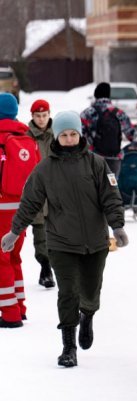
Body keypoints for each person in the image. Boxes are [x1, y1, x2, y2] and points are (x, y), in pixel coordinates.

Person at [2, 111, 128, 366]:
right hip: (61, 242)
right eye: (63, 135)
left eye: (73, 134)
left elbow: (111, 198)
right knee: (68, 292)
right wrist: (15, 232)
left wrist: (117, 227)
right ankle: (68, 346)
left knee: (91, 290)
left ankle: (88, 315)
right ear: (56, 138)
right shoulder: (45, 169)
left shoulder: (96, 163)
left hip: (95, 240)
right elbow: (29, 203)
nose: (69, 139)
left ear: (79, 135)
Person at [0, 93, 37, 328]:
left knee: (1, 258)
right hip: (22, 208)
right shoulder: (26, 138)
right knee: (14, 257)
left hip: (2, 206)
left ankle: (10, 313)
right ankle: (20, 306)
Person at [80, 82, 137, 179]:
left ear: (95, 95)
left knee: (93, 189)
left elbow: (79, 136)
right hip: (114, 159)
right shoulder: (118, 113)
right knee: (111, 189)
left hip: (92, 158)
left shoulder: (87, 113)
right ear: (109, 95)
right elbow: (133, 136)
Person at [25, 99, 55, 288]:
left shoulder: (57, 135)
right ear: (32, 117)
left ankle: (53, 266)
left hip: (55, 191)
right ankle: (45, 267)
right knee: (40, 233)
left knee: (56, 232)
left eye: (44, 115)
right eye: (38, 116)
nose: (42, 119)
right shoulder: (27, 137)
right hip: (36, 191)